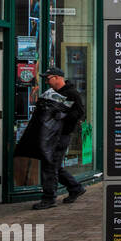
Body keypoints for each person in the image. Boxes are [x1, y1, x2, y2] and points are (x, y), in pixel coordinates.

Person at [31, 67, 87, 210]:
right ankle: (75, 188)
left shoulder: (72, 93)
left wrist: (63, 116)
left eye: (48, 79)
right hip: (51, 135)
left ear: (57, 78)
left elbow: (80, 114)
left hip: (61, 136)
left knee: (49, 166)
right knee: (53, 166)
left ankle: (49, 199)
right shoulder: (53, 93)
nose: (47, 82)